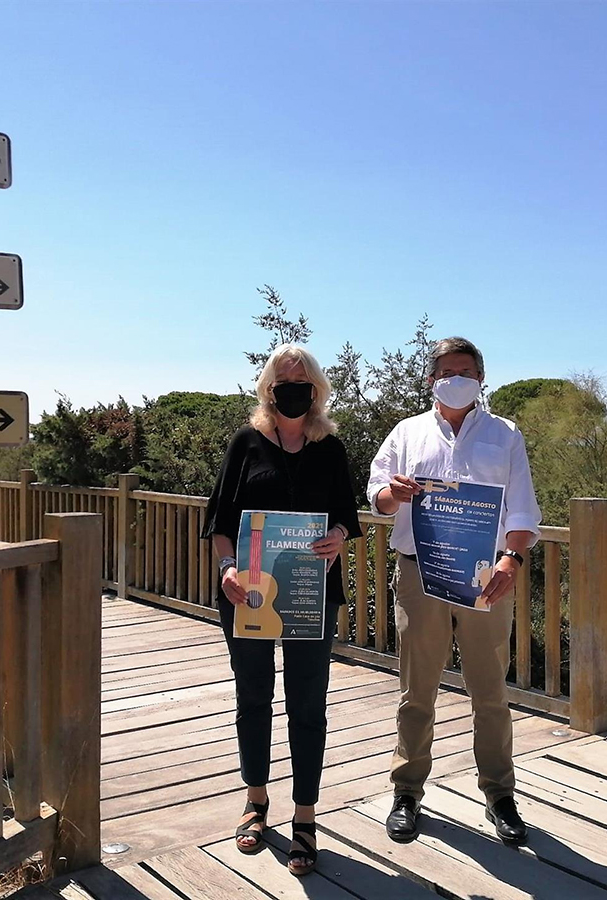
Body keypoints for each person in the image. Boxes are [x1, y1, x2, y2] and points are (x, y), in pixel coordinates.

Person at [367, 336, 542, 845]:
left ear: (481, 378)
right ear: (431, 379)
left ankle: (499, 794)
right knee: (415, 691)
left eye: (465, 370)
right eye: (447, 371)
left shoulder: (506, 434)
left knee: (490, 692)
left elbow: (523, 507)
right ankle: (406, 791)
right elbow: (377, 493)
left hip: (487, 574)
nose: (456, 378)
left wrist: (513, 557)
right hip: (420, 573)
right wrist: (390, 495)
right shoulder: (406, 432)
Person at [202, 343, 363, 876]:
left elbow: (345, 515)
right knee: (253, 695)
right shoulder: (245, 443)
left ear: (316, 390)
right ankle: (256, 801)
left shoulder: (331, 448)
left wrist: (337, 536)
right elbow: (221, 521)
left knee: (307, 702)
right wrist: (226, 569)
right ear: (268, 389)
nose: (292, 390)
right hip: (246, 593)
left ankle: (305, 816)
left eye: (302, 382)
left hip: (310, 593)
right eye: (282, 382)